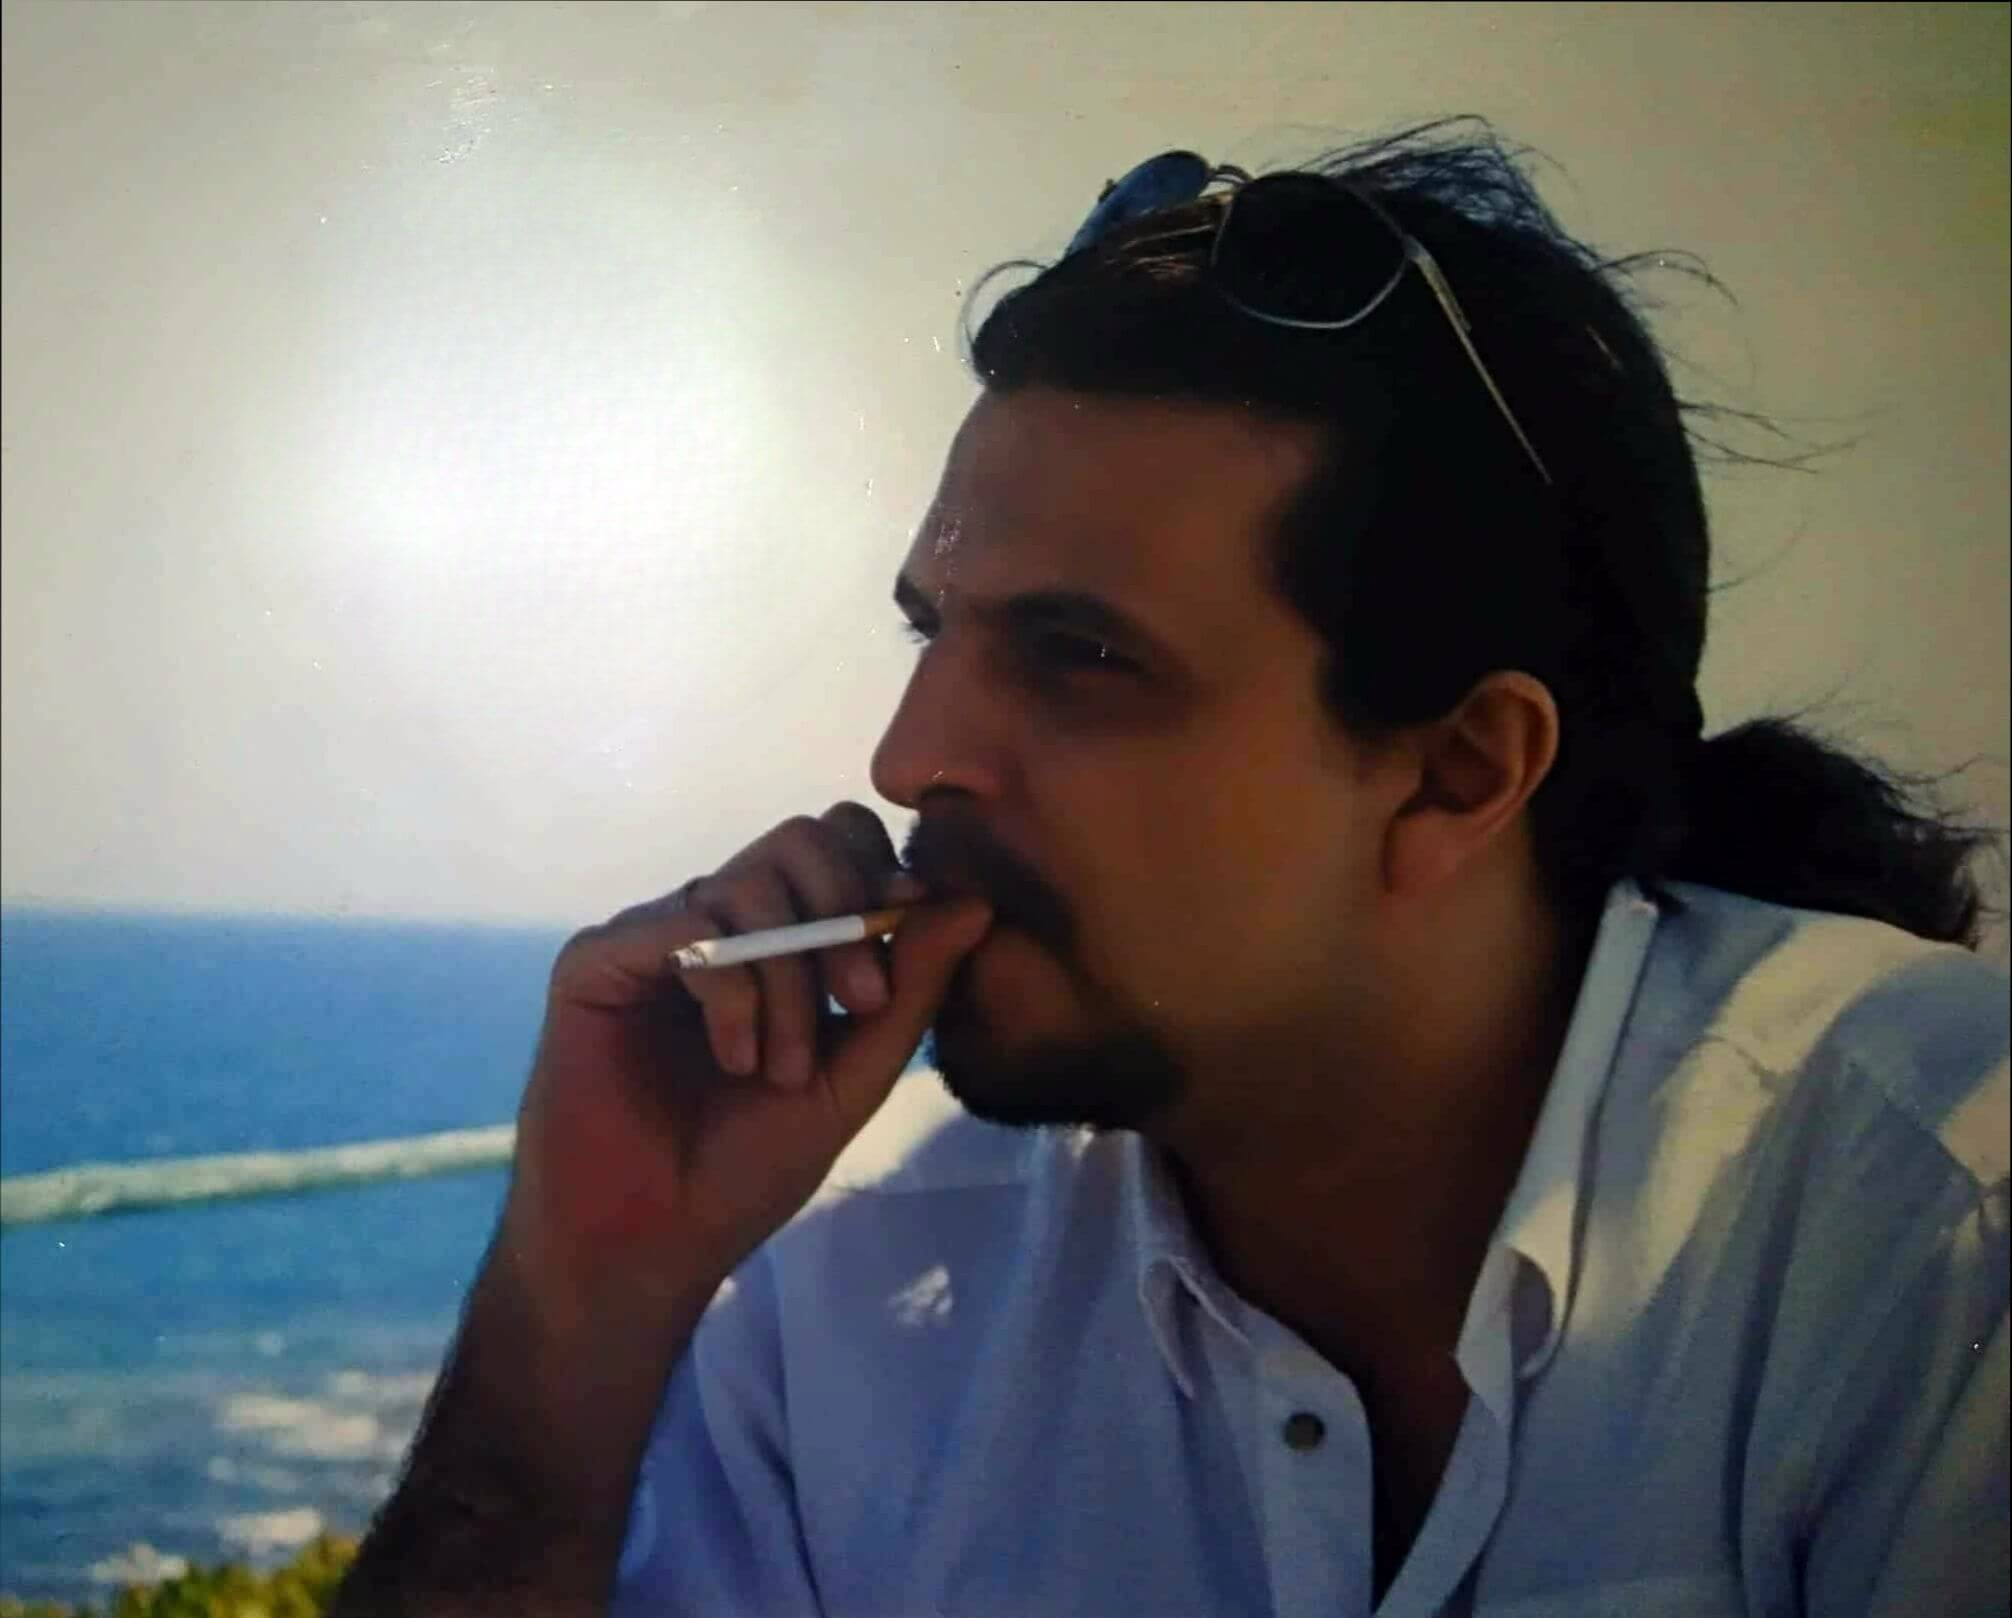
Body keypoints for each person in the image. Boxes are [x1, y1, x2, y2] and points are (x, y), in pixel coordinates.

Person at [330, 119, 2008, 1617]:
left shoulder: (1927, 1230)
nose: (910, 758)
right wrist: (583, 1290)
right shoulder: (844, 1294)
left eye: (1077, 656)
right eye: (932, 634)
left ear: (1458, 774)